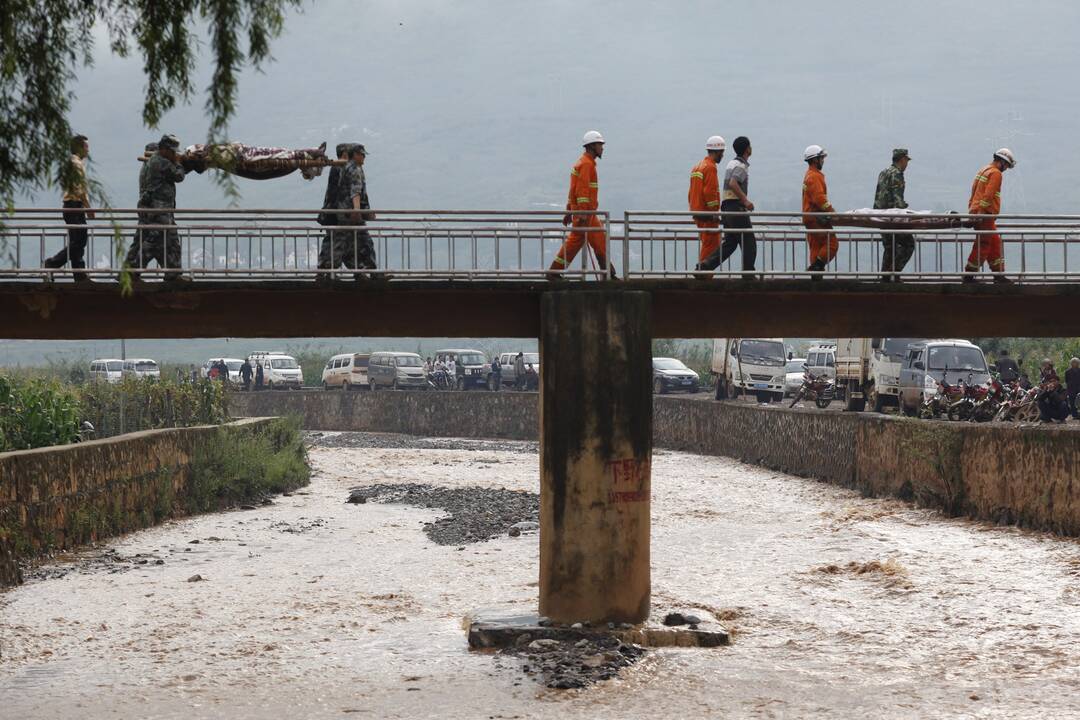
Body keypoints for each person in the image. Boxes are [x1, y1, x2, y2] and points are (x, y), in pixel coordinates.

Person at [549, 131, 614, 279]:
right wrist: (581, 214)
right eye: (600, 145)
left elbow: (573, 190)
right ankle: (554, 272)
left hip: (587, 213)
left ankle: (609, 274)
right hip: (585, 213)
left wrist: (569, 210)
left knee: (600, 239)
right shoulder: (586, 165)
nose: (602, 148)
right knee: (575, 242)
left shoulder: (584, 163)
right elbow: (582, 191)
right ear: (591, 146)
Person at [126, 134, 189, 282]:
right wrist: (179, 162)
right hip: (158, 210)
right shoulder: (159, 162)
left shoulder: (159, 161)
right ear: (164, 149)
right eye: (172, 151)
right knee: (153, 243)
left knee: (172, 240)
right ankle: (132, 272)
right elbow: (178, 176)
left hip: (163, 209)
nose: (174, 153)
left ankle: (174, 273)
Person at [44, 134, 94, 282]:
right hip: (74, 206)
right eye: (86, 147)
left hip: (72, 206)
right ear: (79, 148)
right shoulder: (76, 164)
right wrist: (88, 208)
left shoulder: (72, 163)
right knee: (79, 241)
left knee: (77, 240)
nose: (88, 151)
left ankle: (79, 274)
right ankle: (52, 263)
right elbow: (79, 190)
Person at [964, 148, 1016, 284]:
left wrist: (972, 212)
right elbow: (988, 195)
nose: (1005, 169)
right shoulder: (996, 173)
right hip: (985, 214)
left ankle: (998, 274)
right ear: (1001, 162)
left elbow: (974, 192)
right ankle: (969, 275)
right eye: (1006, 166)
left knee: (994, 242)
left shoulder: (984, 170)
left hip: (979, 213)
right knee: (984, 243)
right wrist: (981, 213)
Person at [326, 143, 377, 280]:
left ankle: (330, 272)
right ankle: (372, 271)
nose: (364, 157)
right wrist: (357, 210)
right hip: (352, 215)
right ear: (355, 155)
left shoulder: (345, 167)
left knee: (342, 243)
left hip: (343, 213)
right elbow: (356, 192)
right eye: (362, 154)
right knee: (365, 241)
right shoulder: (355, 169)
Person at [688, 136, 724, 274]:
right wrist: (714, 212)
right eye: (721, 152)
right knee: (712, 245)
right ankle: (703, 274)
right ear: (716, 151)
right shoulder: (710, 167)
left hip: (697, 211)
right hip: (707, 214)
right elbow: (710, 192)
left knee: (707, 243)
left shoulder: (698, 166)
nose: (722, 155)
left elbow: (690, 192)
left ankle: (703, 273)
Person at [801, 145, 839, 279]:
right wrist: (832, 211)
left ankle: (816, 277)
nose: (823, 160)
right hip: (816, 218)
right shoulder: (814, 177)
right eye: (821, 158)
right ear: (815, 160)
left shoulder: (809, 175)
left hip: (810, 217)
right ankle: (816, 266)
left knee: (816, 246)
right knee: (832, 243)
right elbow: (820, 199)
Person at [876, 148, 912, 282]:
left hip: (880, 218)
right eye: (906, 161)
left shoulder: (883, 173)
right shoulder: (897, 174)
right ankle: (895, 273)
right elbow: (898, 201)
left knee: (889, 248)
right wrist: (906, 211)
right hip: (892, 219)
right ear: (902, 159)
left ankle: (885, 279)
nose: (907, 164)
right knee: (908, 244)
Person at [316, 142, 352, 280]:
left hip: (332, 211)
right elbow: (340, 193)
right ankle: (328, 272)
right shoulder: (340, 168)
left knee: (333, 241)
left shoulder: (337, 168)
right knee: (336, 242)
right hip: (336, 213)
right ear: (344, 154)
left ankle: (325, 271)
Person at [1037, 358, 1068, 423]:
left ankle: (1062, 419)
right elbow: (1039, 398)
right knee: (1040, 402)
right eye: (1051, 381)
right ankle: (1047, 419)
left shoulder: (1063, 390)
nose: (1052, 383)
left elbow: (1060, 400)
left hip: (1059, 412)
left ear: (1058, 382)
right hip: (1050, 411)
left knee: (1063, 404)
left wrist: (1053, 392)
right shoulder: (1047, 387)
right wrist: (1046, 391)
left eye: (1054, 381)